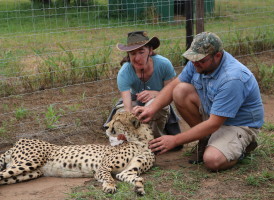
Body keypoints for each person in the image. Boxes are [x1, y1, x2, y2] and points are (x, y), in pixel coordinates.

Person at [133, 32, 264, 171]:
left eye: (201, 60)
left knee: (212, 161)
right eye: (193, 58)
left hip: (237, 124)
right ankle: (206, 139)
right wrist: (151, 109)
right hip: (214, 114)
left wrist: (175, 140)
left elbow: (214, 123)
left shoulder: (233, 78)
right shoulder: (198, 61)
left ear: (218, 56)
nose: (195, 63)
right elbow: (172, 86)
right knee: (180, 90)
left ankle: (242, 148)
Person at [104, 31, 181, 140]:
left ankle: (155, 139)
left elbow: (171, 94)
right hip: (135, 101)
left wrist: (155, 94)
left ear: (150, 50)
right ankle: (132, 140)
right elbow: (128, 109)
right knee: (121, 115)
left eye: (141, 52)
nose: (137, 58)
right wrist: (126, 125)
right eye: (133, 54)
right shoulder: (124, 72)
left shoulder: (164, 64)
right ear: (128, 55)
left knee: (154, 105)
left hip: (159, 100)